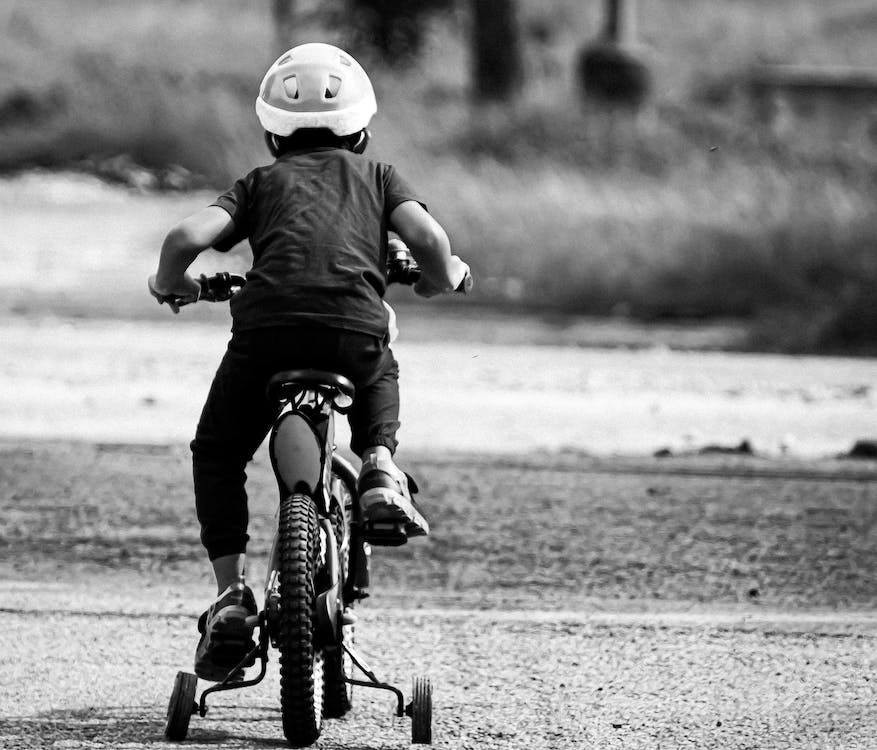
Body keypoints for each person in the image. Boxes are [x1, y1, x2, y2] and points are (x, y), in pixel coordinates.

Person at [148, 43, 470, 681]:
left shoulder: (260, 185)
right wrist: (441, 276)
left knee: (216, 452)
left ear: (271, 135)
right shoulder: (380, 178)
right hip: (349, 327)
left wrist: (174, 284)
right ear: (363, 130)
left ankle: (232, 597)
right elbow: (429, 240)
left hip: (266, 332)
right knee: (378, 358)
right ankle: (379, 466)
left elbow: (186, 238)